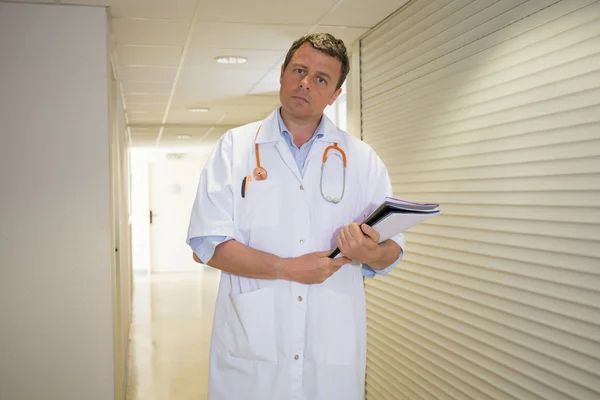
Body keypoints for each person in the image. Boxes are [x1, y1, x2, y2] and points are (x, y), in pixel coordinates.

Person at [186, 33, 405, 400]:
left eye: (321, 79)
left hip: (330, 351)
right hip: (252, 352)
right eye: (299, 70)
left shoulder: (363, 159)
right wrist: (286, 267)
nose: (305, 82)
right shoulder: (235, 148)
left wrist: (370, 254)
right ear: (283, 74)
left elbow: (393, 248)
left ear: (335, 95)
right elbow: (206, 244)